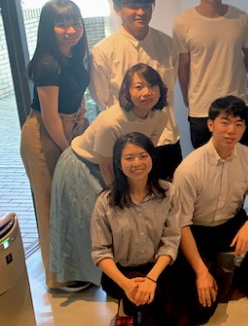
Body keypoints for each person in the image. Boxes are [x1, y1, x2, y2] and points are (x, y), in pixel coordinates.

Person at [50, 64, 169, 289]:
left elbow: (145, 154)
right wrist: (120, 199)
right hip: (84, 165)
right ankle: (87, 276)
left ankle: (116, 274)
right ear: (126, 91)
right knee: (89, 222)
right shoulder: (112, 121)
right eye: (138, 87)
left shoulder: (159, 118)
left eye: (152, 85)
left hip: (118, 165)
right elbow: (106, 166)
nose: (147, 92)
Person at [175, 96, 248, 325]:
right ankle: (202, 270)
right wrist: (201, 272)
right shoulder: (189, 169)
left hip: (231, 222)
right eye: (225, 122)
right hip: (197, 231)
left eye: (239, 124)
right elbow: (181, 225)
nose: (231, 130)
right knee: (200, 313)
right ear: (210, 124)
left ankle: (244, 279)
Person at [91, 133, 189, 326]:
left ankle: (149, 299)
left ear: (152, 157)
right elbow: (100, 251)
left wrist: (151, 279)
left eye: (143, 156)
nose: (137, 163)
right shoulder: (105, 201)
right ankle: (127, 307)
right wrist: (126, 285)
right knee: (136, 296)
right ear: (118, 164)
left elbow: (171, 240)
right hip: (123, 272)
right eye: (129, 158)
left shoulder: (169, 192)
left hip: (158, 267)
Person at [20, 0, 90, 290]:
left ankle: (78, 264)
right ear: (49, 28)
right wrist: (69, 149)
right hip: (46, 135)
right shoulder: (47, 64)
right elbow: (49, 117)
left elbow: (78, 92)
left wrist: (82, 125)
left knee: (75, 199)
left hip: (72, 127)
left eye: (75, 23)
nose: (71, 30)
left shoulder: (75, 53)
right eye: (62, 25)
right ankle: (58, 277)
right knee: (51, 203)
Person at [90, 0, 181, 179]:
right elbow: (102, 98)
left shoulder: (168, 45)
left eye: (146, 5)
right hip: (125, 143)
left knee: (170, 191)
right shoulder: (103, 51)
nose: (141, 12)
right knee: (130, 195)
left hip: (165, 138)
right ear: (117, 9)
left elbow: (168, 89)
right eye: (132, 6)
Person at [174, 0, 248, 148]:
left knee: (239, 161)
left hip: (239, 103)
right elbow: (183, 65)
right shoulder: (183, 22)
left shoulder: (240, 18)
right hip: (202, 107)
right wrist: (187, 96)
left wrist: (234, 73)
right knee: (206, 163)